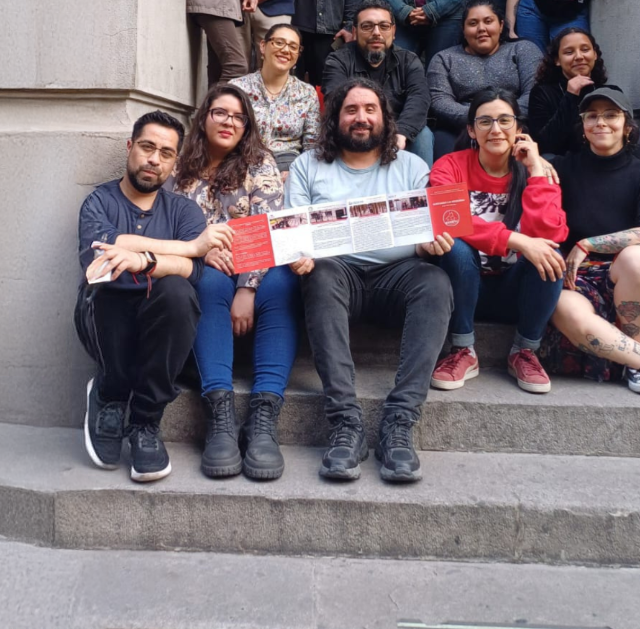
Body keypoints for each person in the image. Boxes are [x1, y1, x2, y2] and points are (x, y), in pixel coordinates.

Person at [286, 78, 454, 483]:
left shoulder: (413, 166)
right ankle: (346, 423)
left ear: (384, 117)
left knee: (435, 282)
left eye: (369, 109)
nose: (361, 118)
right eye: (350, 110)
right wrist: (298, 254)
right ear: (335, 118)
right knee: (321, 274)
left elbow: (423, 232)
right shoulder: (307, 165)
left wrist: (432, 243)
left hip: (397, 276)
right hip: (336, 274)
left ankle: (399, 422)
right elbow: (294, 235)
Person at [75, 110, 227, 483]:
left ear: (175, 162)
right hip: (105, 319)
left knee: (178, 292)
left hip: (161, 326)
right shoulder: (99, 202)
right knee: (111, 281)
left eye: (165, 153)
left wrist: (145, 261)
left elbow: (195, 271)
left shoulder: (183, 210)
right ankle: (110, 393)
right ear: (130, 147)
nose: (154, 160)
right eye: (146, 147)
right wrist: (188, 248)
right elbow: (113, 246)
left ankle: (145, 420)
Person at [174, 84, 305, 481]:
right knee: (210, 283)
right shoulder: (181, 166)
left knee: (283, 283)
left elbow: (268, 228)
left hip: (258, 265)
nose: (229, 121)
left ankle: (264, 416)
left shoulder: (259, 162)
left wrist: (247, 288)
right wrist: (198, 251)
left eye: (238, 116)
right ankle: (219, 413)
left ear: (247, 124)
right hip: (205, 268)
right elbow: (170, 223)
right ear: (204, 117)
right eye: (220, 113)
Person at [540, 86, 640, 394]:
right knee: (560, 306)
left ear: (627, 127)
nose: (601, 122)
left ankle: (631, 361)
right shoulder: (561, 168)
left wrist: (587, 244)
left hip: (632, 281)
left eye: (611, 115)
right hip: (577, 280)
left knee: (638, 256)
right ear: (583, 127)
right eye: (592, 116)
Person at [429, 90, 569, 394]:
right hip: (462, 287)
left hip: (514, 290)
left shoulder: (538, 171)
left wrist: (535, 172)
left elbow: (550, 233)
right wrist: (516, 240)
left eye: (505, 120)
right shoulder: (449, 166)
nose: (495, 129)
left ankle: (525, 350)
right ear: (471, 130)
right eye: (485, 121)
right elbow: (448, 218)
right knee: (455, 245)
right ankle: (463, 349)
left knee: (550, 251)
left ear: (519, 129)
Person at [426, 0, 542, 158]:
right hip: (461, 128)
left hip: (513, 126)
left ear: (501, 25)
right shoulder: (444, 59)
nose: (481, 28)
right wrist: (481, 120)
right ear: (463, 30)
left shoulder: (523, 50)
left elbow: (534, 93)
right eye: (473, 23)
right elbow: (439, 101)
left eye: (488, 21)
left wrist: (502, 119)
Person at [322, 0, 433, 165]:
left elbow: (420, 98)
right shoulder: (338, 60)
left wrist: (402, 133)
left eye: (384, 26)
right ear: (355, 32)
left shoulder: (408, 60)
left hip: (399, 127)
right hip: (357, 125)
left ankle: (420, 190)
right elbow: (335, 99)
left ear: (393, 31)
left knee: (423, 135)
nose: (376, 33)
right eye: (367, 26)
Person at [231, 24, 321, 176]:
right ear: (263, 46)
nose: (286, 50)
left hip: (288, 167)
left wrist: (299, 176)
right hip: (243, 163)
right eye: (279, 43)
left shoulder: (306, 93)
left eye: (293, 47)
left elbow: (311, 145)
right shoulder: (237, 88)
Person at [527, 28, 609, 156]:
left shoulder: (609, 93)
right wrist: (570, 95)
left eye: (585, 50)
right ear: (557, 60)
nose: (579, 57)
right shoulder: (542, 93)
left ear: (595, 54)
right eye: (569, 52)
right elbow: (543, 145)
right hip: (560, 165)